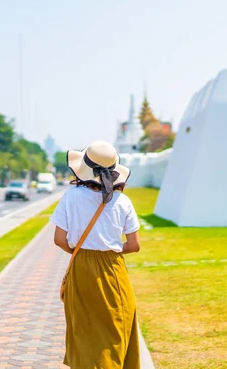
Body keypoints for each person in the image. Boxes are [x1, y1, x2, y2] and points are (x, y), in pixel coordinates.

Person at [51, 140, 141, 368]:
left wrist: (82, 250)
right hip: (112, 270)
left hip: (81, 267)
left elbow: (59, 240)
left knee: (83, 331)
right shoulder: (123, 202)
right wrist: (108, 249)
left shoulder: (71, 197)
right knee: (115, 329)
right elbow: (134, 245)